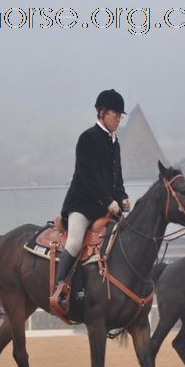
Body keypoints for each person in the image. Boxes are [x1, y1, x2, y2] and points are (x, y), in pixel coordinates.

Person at [50, 89, 131, 313]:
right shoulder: (87, 138)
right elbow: (89, 178)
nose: (118, 119)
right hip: (82, 205)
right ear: (101, 112)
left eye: (120, 116)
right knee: (75, 242)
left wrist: (122, 198)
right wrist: (108, 201)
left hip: (105, 207)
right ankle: (60, 290)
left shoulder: (115, 143)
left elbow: (117, 179)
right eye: (115, 114)